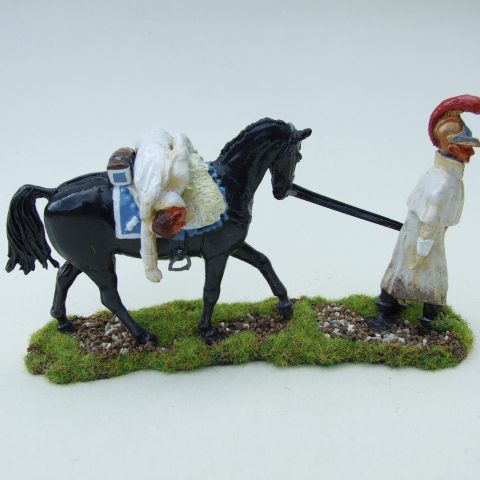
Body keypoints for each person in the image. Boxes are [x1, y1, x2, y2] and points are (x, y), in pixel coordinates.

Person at [371, 95, 480, 330]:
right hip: (424, 236)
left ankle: (391, 304)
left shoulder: (442, 174)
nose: (471, 154)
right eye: (466, 149)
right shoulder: (445, 182)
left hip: (421, 232)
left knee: (403, 267)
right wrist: (424, 243)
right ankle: (425, 315)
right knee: (428, 273)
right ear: (452, 148)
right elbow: (431, 216)